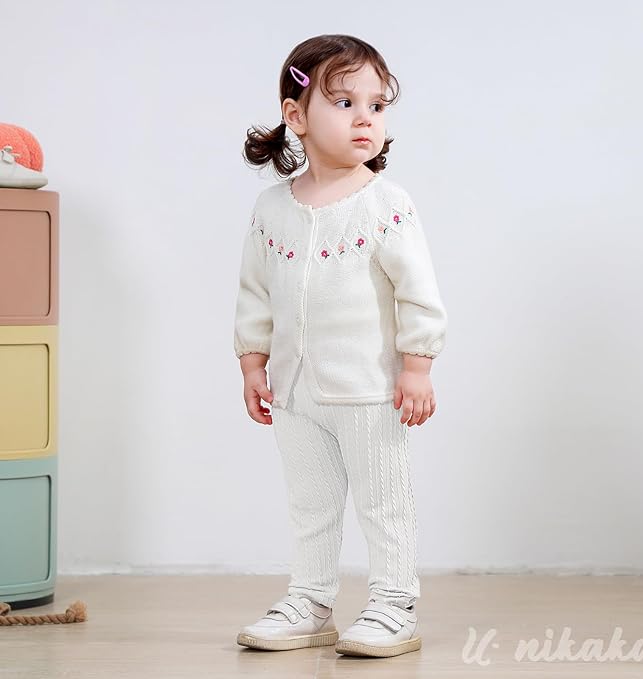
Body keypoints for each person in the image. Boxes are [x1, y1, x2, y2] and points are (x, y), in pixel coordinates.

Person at [233, 34, 447, 658]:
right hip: (295, 390)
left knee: (384, 501)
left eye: (377, 106)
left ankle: (394, 601)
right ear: (295, 115)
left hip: (370, 388)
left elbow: (417, 293)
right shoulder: (272, 209)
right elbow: (255, 292)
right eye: (345, 102)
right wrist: (252, 361)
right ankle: (310, 598)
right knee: (311, 503)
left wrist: (417, 367)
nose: (365, 119)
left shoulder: (385, 205)